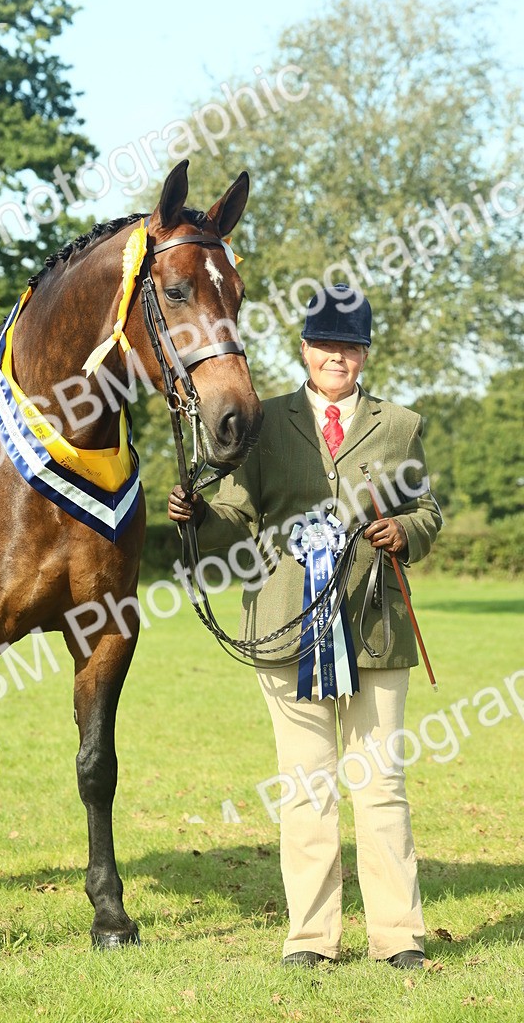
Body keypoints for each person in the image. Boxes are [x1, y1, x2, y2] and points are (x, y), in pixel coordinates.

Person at [168, 284, 442, 969]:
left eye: (349, 346)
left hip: (375, 628)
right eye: (325, 344)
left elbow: (427, 509)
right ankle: (312, 939)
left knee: (380, 785)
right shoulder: (264, 422)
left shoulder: (401, 424)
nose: (336, 356)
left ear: (365, 354)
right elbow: (237, 513)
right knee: (308, 787)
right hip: (286, 627)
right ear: (304, 349)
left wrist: (404, 529)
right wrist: (199, 516)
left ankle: (398, 935)